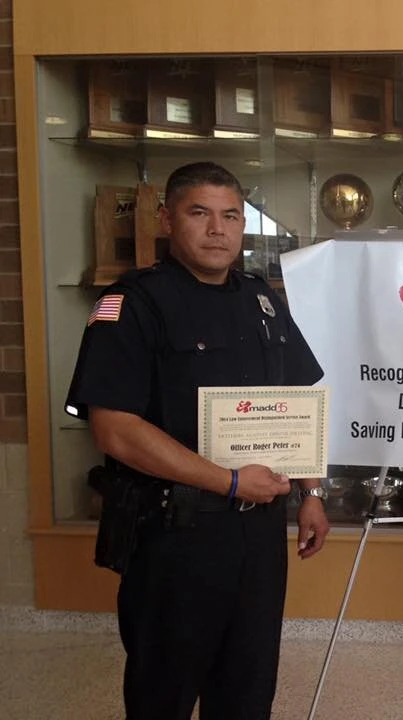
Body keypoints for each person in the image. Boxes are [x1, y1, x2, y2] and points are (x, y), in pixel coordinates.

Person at [64, 162, 329, 720]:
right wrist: (230, 482)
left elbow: (296, 402)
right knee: (165, 690)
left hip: (257, 535)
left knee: (249, 688)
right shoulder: (134, 305)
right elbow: (114, 430)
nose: (218, 230)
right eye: (199, 213)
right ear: (166, 220)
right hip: (174, 534)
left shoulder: (261, 300)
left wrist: (311, 492)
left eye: (231, 215)